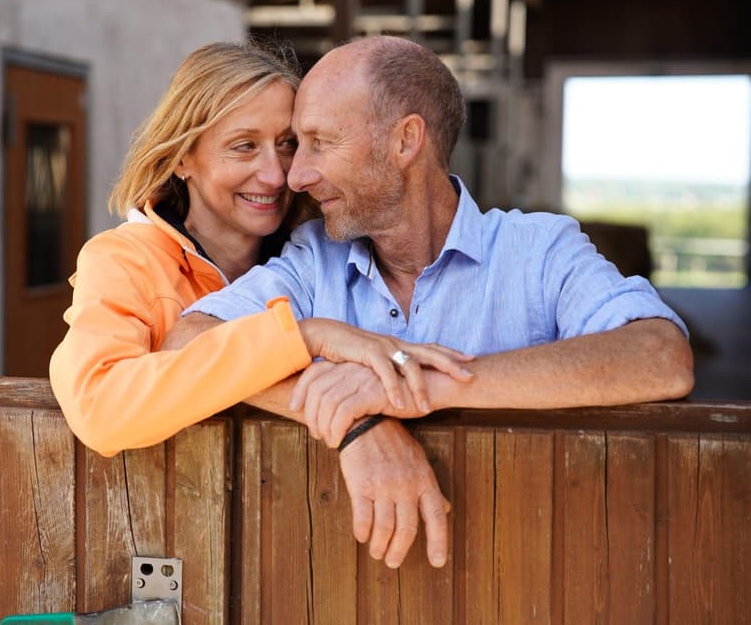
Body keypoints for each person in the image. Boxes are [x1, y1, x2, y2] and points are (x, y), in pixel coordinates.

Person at [166, 35, 696, 568]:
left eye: (320, 143)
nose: (296, 176)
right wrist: (358, 421)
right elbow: (184, 344)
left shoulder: (539, 250)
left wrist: (411, 388)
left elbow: (661, 356)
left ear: (405, 141)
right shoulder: (313, 260)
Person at [49, 40, 469, 568]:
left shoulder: (328, 254)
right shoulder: (125, 259)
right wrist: (310, 344)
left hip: (322, 552)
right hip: (167, 549)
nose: (276, 175)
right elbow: (102, 408)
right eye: (244, 146)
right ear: (182, 156)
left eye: (289, 144)